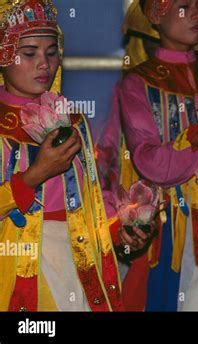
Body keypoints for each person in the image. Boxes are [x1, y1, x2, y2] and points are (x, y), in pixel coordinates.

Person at [95, 0, 198, 311]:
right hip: (170, 226)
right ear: (156, 15)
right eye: (184, 6)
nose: (196, 13)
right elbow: (149, 161)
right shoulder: (138, 83)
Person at [0, 0, 122, 311]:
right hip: (16, 262)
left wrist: (122, 223)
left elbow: (88, 199)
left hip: (77, 261)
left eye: (51, 53)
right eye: (29, 54)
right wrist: (33, 177)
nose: (44, 63)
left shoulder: (72, 121)